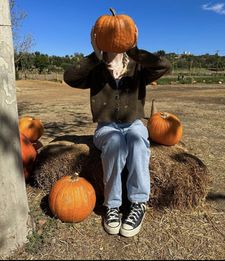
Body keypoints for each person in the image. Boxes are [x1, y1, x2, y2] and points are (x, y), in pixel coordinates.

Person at [63, 24, 171, 238]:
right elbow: (70, 77)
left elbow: (164, 66)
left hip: (134, 124)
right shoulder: (96, 69)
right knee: (114, 143)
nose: (114, 42)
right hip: (107, 126)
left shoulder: (137, 66)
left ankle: (138, 203)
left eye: (118, 37)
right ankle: (112, 206)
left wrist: (134, 50)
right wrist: (95, 56)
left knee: (138, 139)